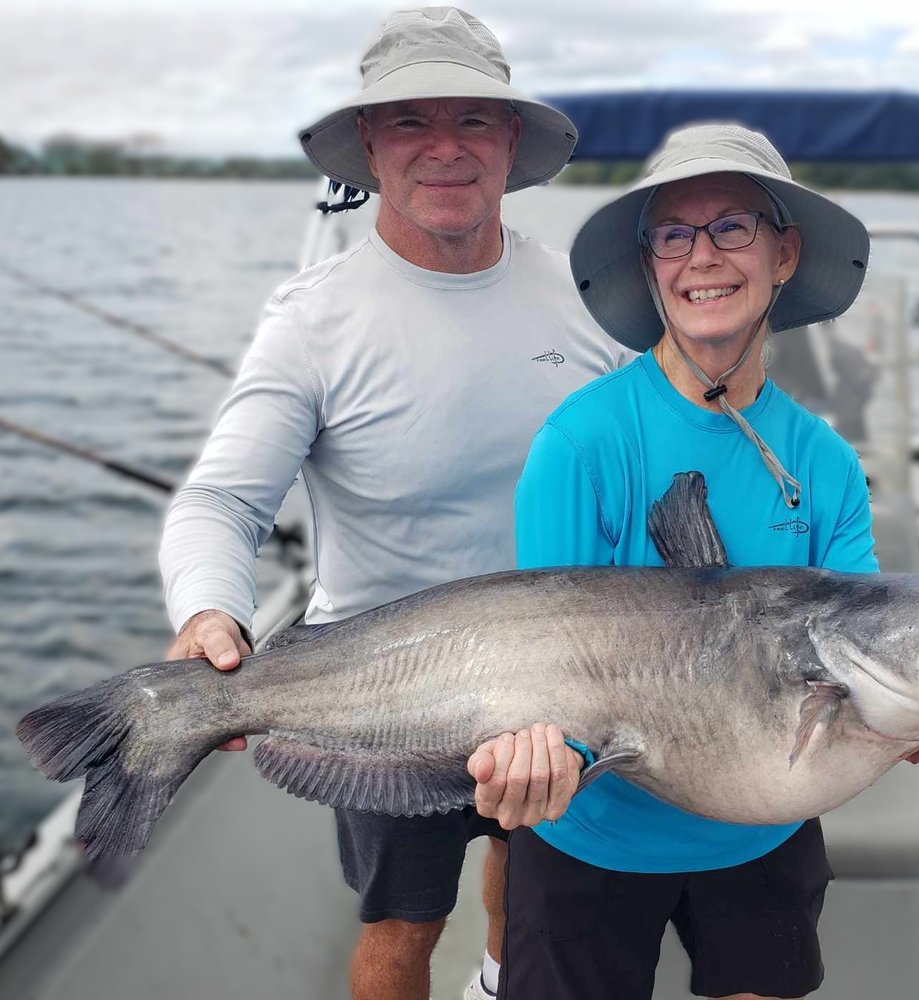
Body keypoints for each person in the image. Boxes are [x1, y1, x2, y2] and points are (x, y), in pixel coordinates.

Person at [468, 122, 919, 1000]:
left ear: (784, 254)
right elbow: (543, 664)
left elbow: (892, 673)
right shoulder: (582, 441)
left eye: (732, 227)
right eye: (674, 234)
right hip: (594, 836)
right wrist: (530, 758)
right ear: (649, 265)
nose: (701, 257)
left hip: (764, 832)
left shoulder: (821, 462)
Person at [158, 8, 627, 1000]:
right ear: (369, 143)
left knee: (529, 869)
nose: (445, 148)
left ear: (510, 140)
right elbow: (220, 501)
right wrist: (209, 613)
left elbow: (651, 470)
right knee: (401, 923)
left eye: (473, 120)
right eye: (410, 122)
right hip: (377, 690)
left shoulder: (589, 299)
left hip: (560, 677)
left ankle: (499, 981)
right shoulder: (311, 322)